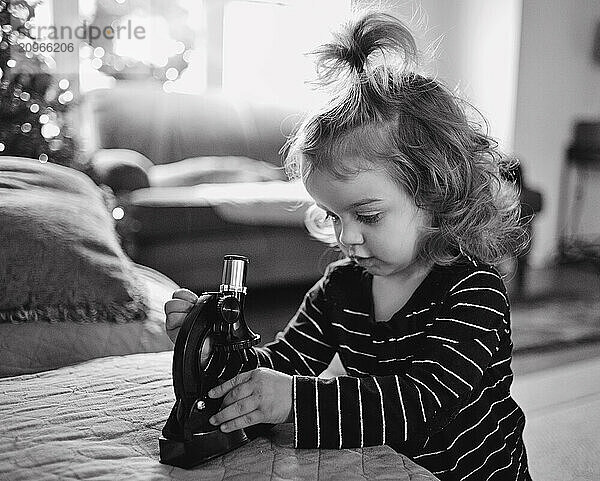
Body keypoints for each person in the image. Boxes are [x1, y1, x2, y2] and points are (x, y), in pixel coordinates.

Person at [165, 11, 531, 481]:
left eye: (368, 215)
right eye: (336, 216)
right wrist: (214, 350)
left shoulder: (474, 291)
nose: (347, 237)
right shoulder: (341, 288)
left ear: (437, 194)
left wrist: (293, 399)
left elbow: (419, 401)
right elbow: (282, 363)